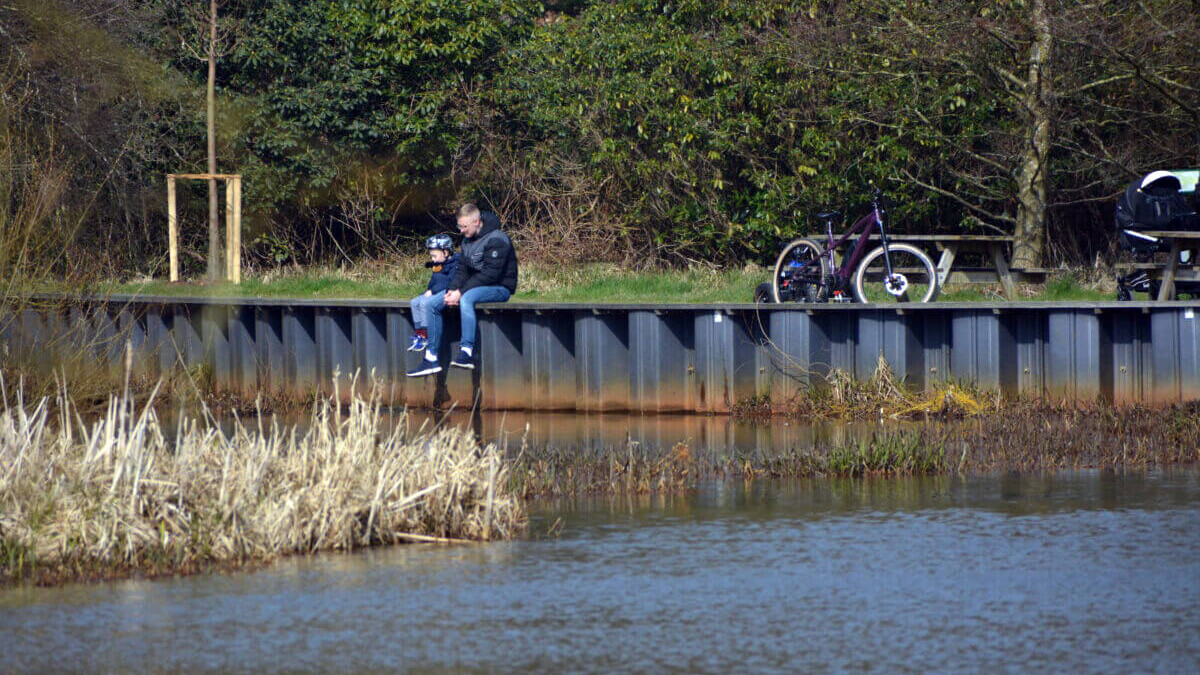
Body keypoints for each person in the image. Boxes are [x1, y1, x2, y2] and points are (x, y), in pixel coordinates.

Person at [407, 203, 518, 377]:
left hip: (499, 287)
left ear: (476, 222)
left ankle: (466, 352)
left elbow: (491, 274)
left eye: (464, 226)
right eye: (459, 226)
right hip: (472, 286)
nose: (460, 231)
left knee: (467, 298)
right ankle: (431, 358)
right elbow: (462, 270)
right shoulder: (467, 240)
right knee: (431, 304)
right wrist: (452, 289)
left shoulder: (497, 239)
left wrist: (461, 292)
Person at [407, 234, 459, 353]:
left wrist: (433, 291)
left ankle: (426, 334)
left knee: (425, 303)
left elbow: (449, 281)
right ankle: (420, 333)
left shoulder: (455, 264)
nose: (433, 259)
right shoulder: (437, 265)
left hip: (446, 291)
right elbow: (434, 280)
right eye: (431, 256)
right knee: (414, 302)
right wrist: (427, 290)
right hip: (434, 291)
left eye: (434, 256)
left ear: (445, 252)